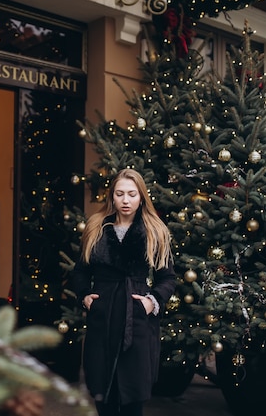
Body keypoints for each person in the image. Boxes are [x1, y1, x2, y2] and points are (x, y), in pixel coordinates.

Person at [71, 168, 177, 416]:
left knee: (132, 397)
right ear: (112, 196)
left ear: (141, 197)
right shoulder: (96, 227)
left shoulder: (154, 231)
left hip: (137, 318)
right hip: (103, 314)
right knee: (103, 393)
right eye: (120, 194)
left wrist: (151, 302)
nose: (126, 200)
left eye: (132, 194)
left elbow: (167, 278)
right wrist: (85, 296)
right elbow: (80, 271)